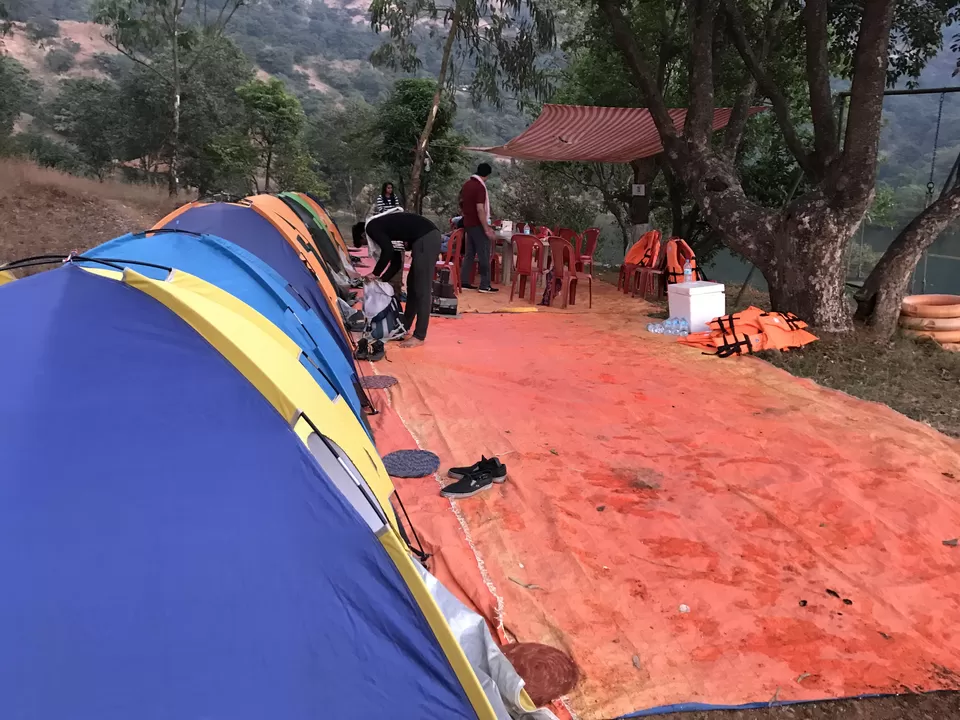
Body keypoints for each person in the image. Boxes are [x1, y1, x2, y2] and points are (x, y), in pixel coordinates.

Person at [352, 212, 442, 347]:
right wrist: (381, 280)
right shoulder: (387, 231)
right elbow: (395, 263)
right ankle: (403, 327)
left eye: (364, 243)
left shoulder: (372, 227)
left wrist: (374, 273)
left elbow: (387, 252)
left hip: (426, 238)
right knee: (412, 286)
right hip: (423, 239)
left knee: (422, 289)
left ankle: (419, 335)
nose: (368, 245)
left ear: (362, 236)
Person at [458, 163, 498, 293]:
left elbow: (461, 201)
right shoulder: (480, 187)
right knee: (484, 253)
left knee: (470, 253)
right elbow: (480, 208)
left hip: (468, 222)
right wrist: (486, 228)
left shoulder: (467, 184)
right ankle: (485, 284)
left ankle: (463, 281)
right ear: (487, 175)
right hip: (477, 224)